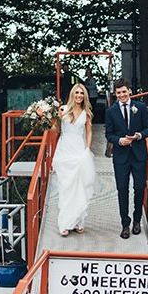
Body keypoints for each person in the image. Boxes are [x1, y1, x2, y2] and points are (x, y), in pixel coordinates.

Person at [104, 78, 148, 239]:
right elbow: (108, 134)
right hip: (121, 157)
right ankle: (125, 224)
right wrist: (119, 140)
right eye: (118, 93)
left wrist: (139, 135)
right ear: (115, 94)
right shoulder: (110, 112)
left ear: (130, 91)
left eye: (124, 92)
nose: (122, 95)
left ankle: (137, 220)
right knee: (122, 190)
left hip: (139, 156)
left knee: (139, 188)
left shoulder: (140, 107)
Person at [52, 83, 96, 236]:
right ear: (72, 94)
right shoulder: (63, 109)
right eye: (76, 92)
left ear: (84, 96)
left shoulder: (87, 112)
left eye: (81, 93)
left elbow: (89, 132)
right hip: (64, 150)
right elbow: (55, 130)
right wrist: (48, 119)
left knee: (79, 187)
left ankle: (78, 221)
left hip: (79, 149)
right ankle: (64, 222)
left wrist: (87, 149)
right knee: (66, 187)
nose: (78, 95)